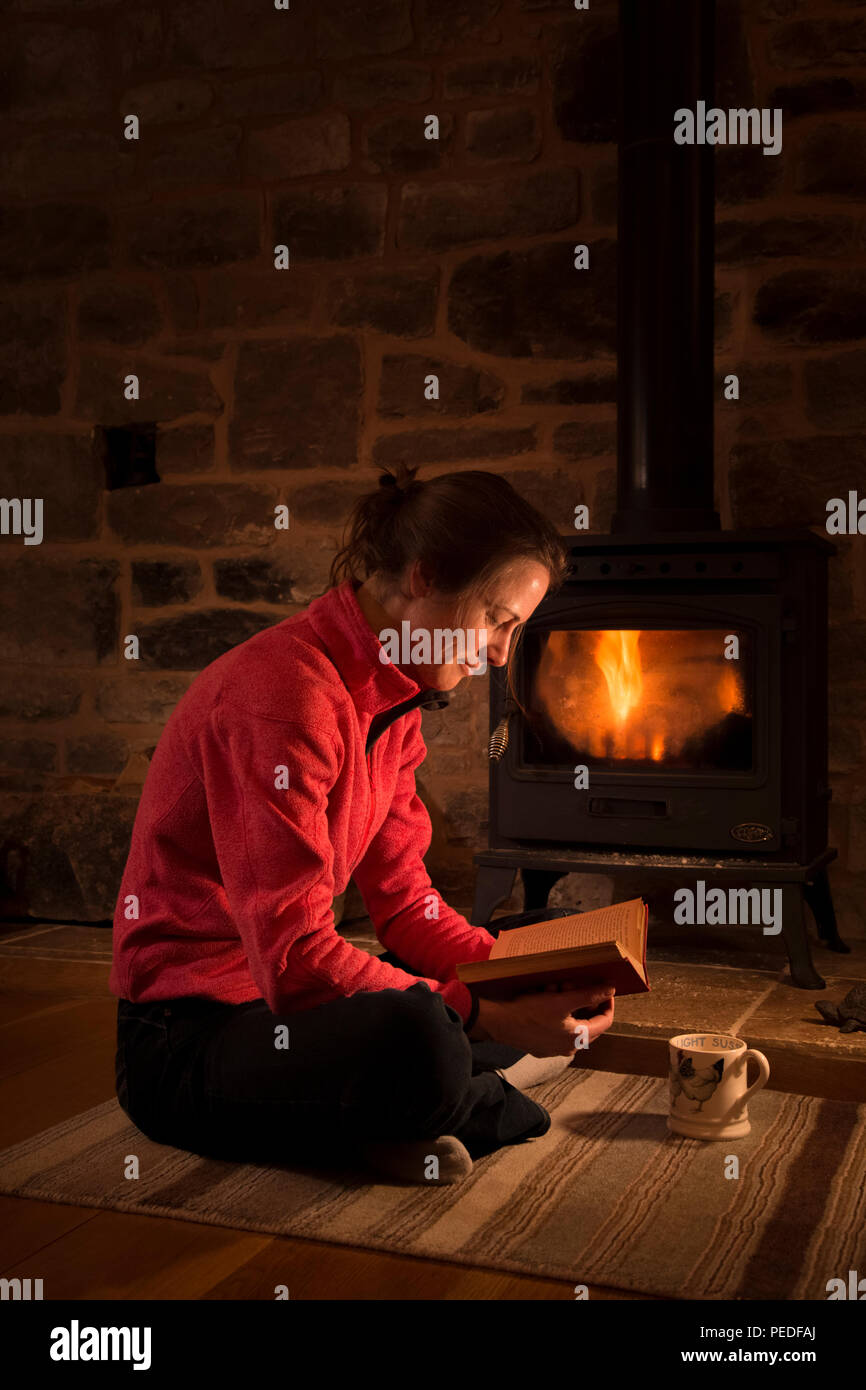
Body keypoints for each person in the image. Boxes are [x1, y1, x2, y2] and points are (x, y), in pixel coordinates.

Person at [111, 464, 615, 1185]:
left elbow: (408, 905)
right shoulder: (286, 697)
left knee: (550, 939)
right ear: (425, 577)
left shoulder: (394, 695)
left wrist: (516, 983)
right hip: (189, 1040)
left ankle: (412, 1110)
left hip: (293, 1012)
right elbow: (294, 961)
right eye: (497, 620)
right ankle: (462, 1099)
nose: (502, 652)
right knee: (424, 1034)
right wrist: (488, 1018)